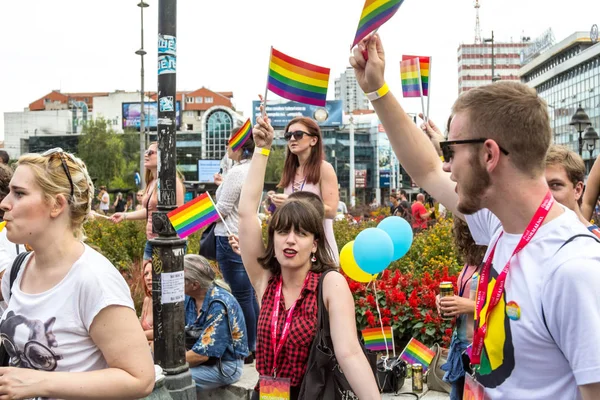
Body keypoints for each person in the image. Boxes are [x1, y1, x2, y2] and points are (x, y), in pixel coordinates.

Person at [350, 34, 600, 398]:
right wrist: (376, 90)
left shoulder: (573, 267)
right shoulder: (501, 225)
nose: (448, 166)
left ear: (489, 155)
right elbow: (426, 169)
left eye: (451, 150)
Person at [236, 112, 380, 400]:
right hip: (269, 394)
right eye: (283, 232)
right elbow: (246, 213)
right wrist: (262, 149)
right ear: (272, 238)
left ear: (315, 243)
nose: (290, 240)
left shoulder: (329, 284)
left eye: (301, 234)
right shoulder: (265, 281)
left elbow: (349, 353)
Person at [0, 148, 154, 398]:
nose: (5, 203)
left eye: (19, 193)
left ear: (57, 205)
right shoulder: (18, 269)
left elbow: (140, 378)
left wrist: (40, 382)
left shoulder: (94, 279)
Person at [213, 124, 259, 364]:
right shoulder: (252, 168)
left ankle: (248, 347)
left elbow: (222, 208)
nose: (226, 148)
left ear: (240, 146)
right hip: (247, 235)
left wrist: (205, 207)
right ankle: (255, 343)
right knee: (250, 294)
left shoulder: (237, 173)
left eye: (229, 143)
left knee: (240, 295)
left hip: (229, 236)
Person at [269, 116, 340, 264]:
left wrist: (292, 201)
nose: (292, 139)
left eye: (298, 135)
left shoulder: (324, 168)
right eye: (288, 136)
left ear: (313, 140)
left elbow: (332, 211)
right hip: (293, 247)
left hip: (318, 247)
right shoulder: (290, 170)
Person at [437, 218, 487, 400]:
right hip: (461, 344)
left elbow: (507, 305)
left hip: (481, 347)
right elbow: (466, 293)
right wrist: (443, 301)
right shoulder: (472, 260)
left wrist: (467, 306)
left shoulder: (496, 258)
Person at [183, 254, 248, 391]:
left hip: (225, 365)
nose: (174, 282)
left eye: (179, 279)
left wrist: (168, 363)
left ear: (195, 285)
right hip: (197, 358)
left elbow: (202, 355)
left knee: (169, 380)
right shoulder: (190, 298)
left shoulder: (219, 304)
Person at [111, 142, 185, 260]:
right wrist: (124, 216)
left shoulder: (172, 182)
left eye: (151, 153)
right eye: (146, 152)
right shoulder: (151, 182)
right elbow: (149, 211)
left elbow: (180, 216)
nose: (146, 155)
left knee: (160, 278)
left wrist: (172, 245)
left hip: (168, 244)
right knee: (149, 278)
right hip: (151, 241)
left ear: (163, 156)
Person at [140, 259, 153, 347]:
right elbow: (139, 328)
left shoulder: (166, 302)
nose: (148, 278)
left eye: (153, 273)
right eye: (146, 274)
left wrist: (138, 336)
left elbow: (165, 332)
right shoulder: (147, 300)